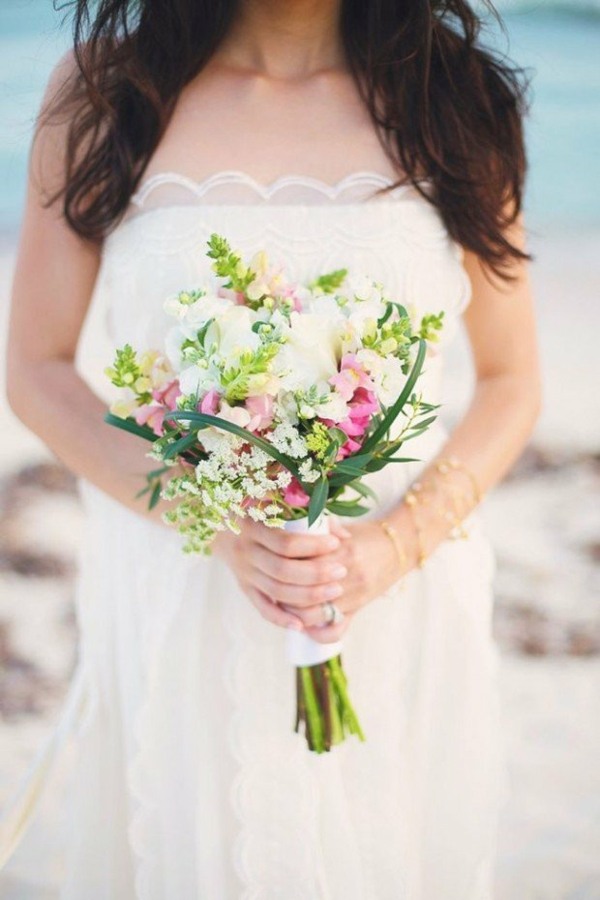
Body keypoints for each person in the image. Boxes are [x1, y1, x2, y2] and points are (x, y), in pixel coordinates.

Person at [4, 0, 541, 897]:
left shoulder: (455, 99)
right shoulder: (106, 96)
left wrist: (391, 549)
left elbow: (512, 381)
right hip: (182, 594)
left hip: (397, 602)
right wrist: (214, 523)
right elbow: (36, 368)